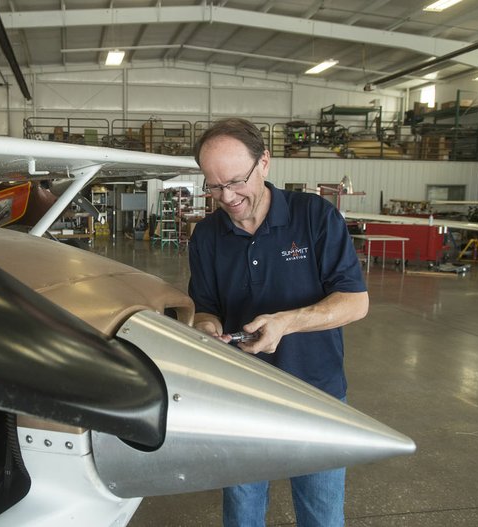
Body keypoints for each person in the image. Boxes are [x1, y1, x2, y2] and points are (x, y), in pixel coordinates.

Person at [188, 117, 369, 527]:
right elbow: (205, 307)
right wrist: (205, 328)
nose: (227, 197)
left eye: (236, 181)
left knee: (321, 513)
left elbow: (355, 302)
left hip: (316, 395)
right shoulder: (206, 236)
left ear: (265, 163)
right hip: (240, 396)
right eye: (214, 186)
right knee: (242, 512)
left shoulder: (315, 218)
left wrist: (288, 323)